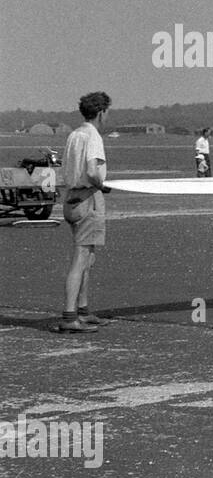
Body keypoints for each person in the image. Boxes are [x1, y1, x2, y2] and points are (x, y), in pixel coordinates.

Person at [59, 91, 112, 333]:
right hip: (87, 198)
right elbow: (92, 171)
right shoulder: (92, 135)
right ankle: (70, 316)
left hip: (71, 198)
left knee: (88, 258)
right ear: (101, 112)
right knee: (81, 259)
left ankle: (83, 309)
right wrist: (102, 186)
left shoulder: (73, 135)